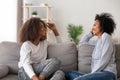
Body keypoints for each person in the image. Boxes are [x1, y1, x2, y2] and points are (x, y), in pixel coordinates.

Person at [65, 13, 117, 80]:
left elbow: (104, 60)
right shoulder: (98, 41)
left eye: (95, 25)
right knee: (69, 73)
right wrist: (91, 33)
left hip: (107, 74)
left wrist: (91, 74)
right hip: (97, 74)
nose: (92, 27)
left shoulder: (106, 37)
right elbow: (82, 42)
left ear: (102, 26)